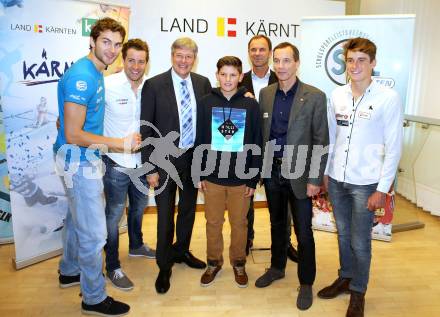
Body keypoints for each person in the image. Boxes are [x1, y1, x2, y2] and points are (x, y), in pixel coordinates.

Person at [54, 17, 138, 316]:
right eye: (106, 42)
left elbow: (68, 122)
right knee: (95, 235)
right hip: (78, 162)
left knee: (78, 221)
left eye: (117, 44)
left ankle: (68, 271)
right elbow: (75, 134)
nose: (112, 50)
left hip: (82, 159)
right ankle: (93, 298)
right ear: (92, 41)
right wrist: (120, 143)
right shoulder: (84, 76)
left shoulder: (96, 71)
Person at [318, 37, 403, 317]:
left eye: (362, 60)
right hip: (338, 180)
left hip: (367, 183)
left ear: (373, 63)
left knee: (359, 240)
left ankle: (359, 291)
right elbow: (331, 137)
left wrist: (383, 188)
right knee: (343, 235)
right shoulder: (337, 95)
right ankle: (345, 277)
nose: (355, 66)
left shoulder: (388, 98)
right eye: (351, 60)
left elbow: (394, 147)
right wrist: (327, 173)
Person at [254, 42, 328, 311]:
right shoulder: (266, 93)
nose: (281, 66)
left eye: (287, 61)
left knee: (304, 232)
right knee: (276, 224)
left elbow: (321, 140)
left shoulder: (315, 96)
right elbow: (262, 134)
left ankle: (306, 282)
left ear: (297, 63)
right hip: (272, 171)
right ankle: (277, 267)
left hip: (300, 175)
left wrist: (314, 179)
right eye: (278, 61)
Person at [140, 37, 211, 294]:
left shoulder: (203, 83)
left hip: (193, 159)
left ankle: (182, 250)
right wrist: (149, 167)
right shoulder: (154, 84)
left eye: (188, 56)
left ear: (195, 58)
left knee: (189, 210)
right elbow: (146, 128)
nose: (184, 61)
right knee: (165, 215)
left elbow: (207, 123)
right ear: (172, 56)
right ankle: (164, 265)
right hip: (163, 162)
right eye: (179, 55)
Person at [196, 56, 262, 288]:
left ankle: (239, 262)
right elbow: (200, 139)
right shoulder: (205, 103)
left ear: (240, 77)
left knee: (239, 223)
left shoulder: (250, 105)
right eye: (223, 74)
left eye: (233, 75)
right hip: (212, 176)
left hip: (241, 179)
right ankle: (213, 262)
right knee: (212, 222)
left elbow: (256, 141)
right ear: (217, 75)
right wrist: (199, 173)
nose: (228, 79)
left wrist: (253, 177)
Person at [103, 38, 156, 291]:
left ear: (147, 63)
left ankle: (136, 245)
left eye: (141, 61)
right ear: (123, 60)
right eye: (131, 60)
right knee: (113, 216)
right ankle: (112, 265)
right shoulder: (107, 84)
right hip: (115, 162)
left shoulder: (151, 87)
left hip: (142, 163)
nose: (136, 66)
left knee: (138, 208)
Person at [240, 35, 298, 262]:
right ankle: (246, 239)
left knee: (284, 207)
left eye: (262, 49)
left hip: (277, 153)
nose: (257, 53)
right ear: (249, 53)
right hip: (247, 151)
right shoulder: (238, 79)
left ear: (270, 53)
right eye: (253, 49)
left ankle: (284, 243)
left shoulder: (284, 76)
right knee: (246, 200)